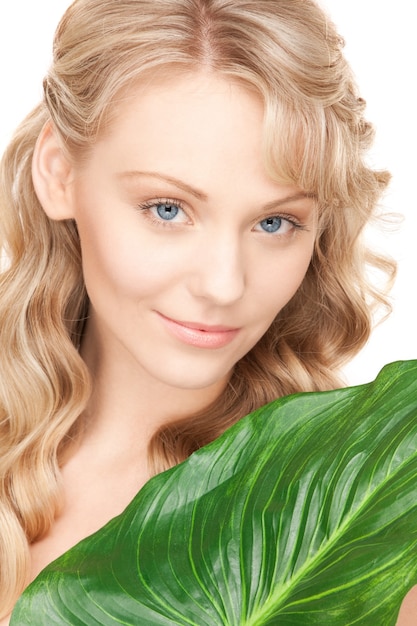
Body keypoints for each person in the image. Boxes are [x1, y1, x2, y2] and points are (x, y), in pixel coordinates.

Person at [0, 0, 398, 622]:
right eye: (167, 209)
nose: (223, 283)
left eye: (274, 222)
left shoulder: (349, 516)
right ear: (59, 173)